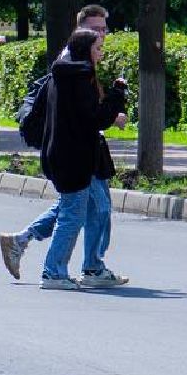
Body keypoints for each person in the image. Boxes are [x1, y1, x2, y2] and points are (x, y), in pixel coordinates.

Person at [1, 4, 115, 280]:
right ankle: (83, 268)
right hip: (76, 151)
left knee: (79, 206)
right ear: (82, 31)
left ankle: (23, 240)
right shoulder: (73, 65)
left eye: (104, 29)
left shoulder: (79, 61)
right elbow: (85, 114)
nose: (102, 35)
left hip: (80, 148)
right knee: (91, 207)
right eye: (96, 29)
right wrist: (113, 107)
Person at [31, 28, 128, 289]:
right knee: (72, 216)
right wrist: (117, 94)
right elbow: (94, 118)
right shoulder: (80, 76)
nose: (101, 54)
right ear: (85, 50)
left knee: (84, 210)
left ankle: (82, 268)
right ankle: (53, 272)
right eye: (97, 48)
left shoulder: (61, 75)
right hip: (74, 157)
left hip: (62, 154)